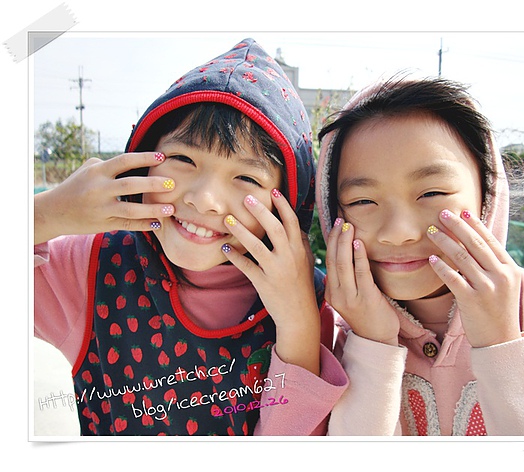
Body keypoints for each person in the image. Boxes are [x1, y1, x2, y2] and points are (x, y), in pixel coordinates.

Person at [34, 38, 348, 436]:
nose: (205, 200)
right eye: (183, 159)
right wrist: (44, 214)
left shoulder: (318, 303)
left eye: (247, 178)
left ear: (289, 204)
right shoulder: (91, 269)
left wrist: (299, 324)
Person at [316, 75, 524, 436]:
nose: (399, 232)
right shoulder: (330, 334)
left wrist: (501, 342)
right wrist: (371, 344)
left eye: (432, 193)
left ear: (487, 195)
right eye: (362, 201)